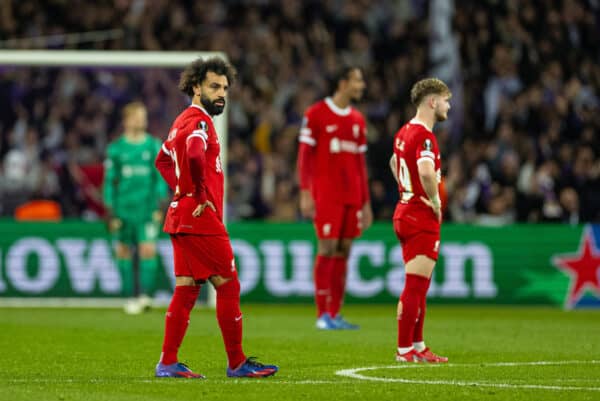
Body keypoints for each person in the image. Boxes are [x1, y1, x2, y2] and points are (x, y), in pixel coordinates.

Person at [154, 57, 278, 379]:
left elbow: (163, 161)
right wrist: (198, 192)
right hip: (200, 217)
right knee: (228, 285)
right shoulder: (199, 122)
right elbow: (194, 154)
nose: (221, 93)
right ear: (196, 87)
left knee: (186, 289)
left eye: (224, 87)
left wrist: (182, 192)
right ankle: (236, 362)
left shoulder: (180, 120)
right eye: (214, 86)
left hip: (181, 215)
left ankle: (168, 362)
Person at [297, 66, 373, 330]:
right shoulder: (316, 114)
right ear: (343, 83)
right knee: (327, 247)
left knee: (344, 251)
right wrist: (306, 192)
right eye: (357, 80)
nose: (361, 85)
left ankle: (335, 312)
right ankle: (322, 315)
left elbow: (361, 165)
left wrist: (366, 203)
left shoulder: (357, 120)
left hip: (352, 195)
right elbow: (305, 157)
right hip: (326, 193)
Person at [389, 78, 451, 363]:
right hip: (419, 216)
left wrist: (406, 190)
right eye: (445, 100)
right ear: (432, 101)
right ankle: (404, 351)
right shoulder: (425, 136)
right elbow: (426, 172)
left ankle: (418, 345)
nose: (448, 106)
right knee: (415, 286)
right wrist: (435, 202)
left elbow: (393, 162)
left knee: (419, 285)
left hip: (404, 211)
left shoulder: (404, 131)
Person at [103, 102, 168, 314]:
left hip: (147, 209)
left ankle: (145, 295)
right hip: (123, 210)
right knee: (123, 252)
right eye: (138, 117)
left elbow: (159, 178)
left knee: (148, 250)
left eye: (144, 116)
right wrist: (110, 211)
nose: (142, 120)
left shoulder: (153, 146)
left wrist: (160, 203)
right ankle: (129, 297)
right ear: (127, 120)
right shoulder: (116, 149)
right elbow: (109, 182)